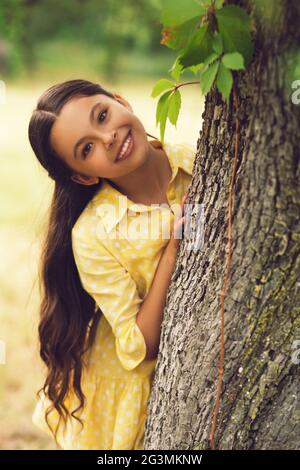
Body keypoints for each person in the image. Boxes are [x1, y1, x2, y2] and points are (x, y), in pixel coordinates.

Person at [28, 79, 196, 450]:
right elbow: (141, 345)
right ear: (85, 175)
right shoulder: (93, 234)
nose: (108, 138)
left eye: (102, 115)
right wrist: (173, 250)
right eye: (87, 148)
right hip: (133, 381)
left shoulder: (197, 163)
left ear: (121, 101)